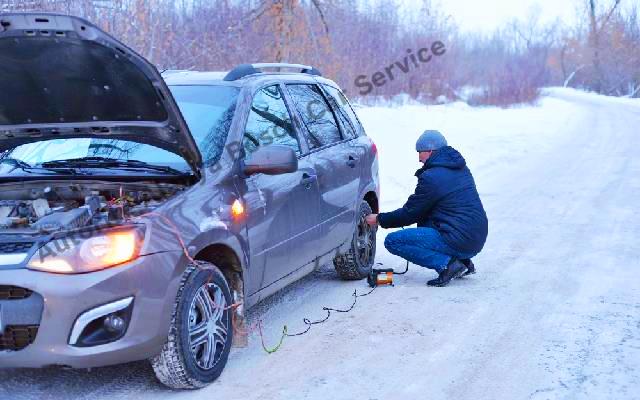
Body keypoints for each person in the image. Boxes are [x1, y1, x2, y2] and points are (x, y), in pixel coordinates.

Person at [365, 130, 488, 287]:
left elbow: (410, 213)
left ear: (430, 151)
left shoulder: (432, 177)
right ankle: (464, 262)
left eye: (420, 152)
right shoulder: (460, 169)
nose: (419, 159)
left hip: (459, 239)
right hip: (475, 238)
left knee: (393, 241)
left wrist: (379, 219)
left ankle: (448, 265)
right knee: (426, 220)